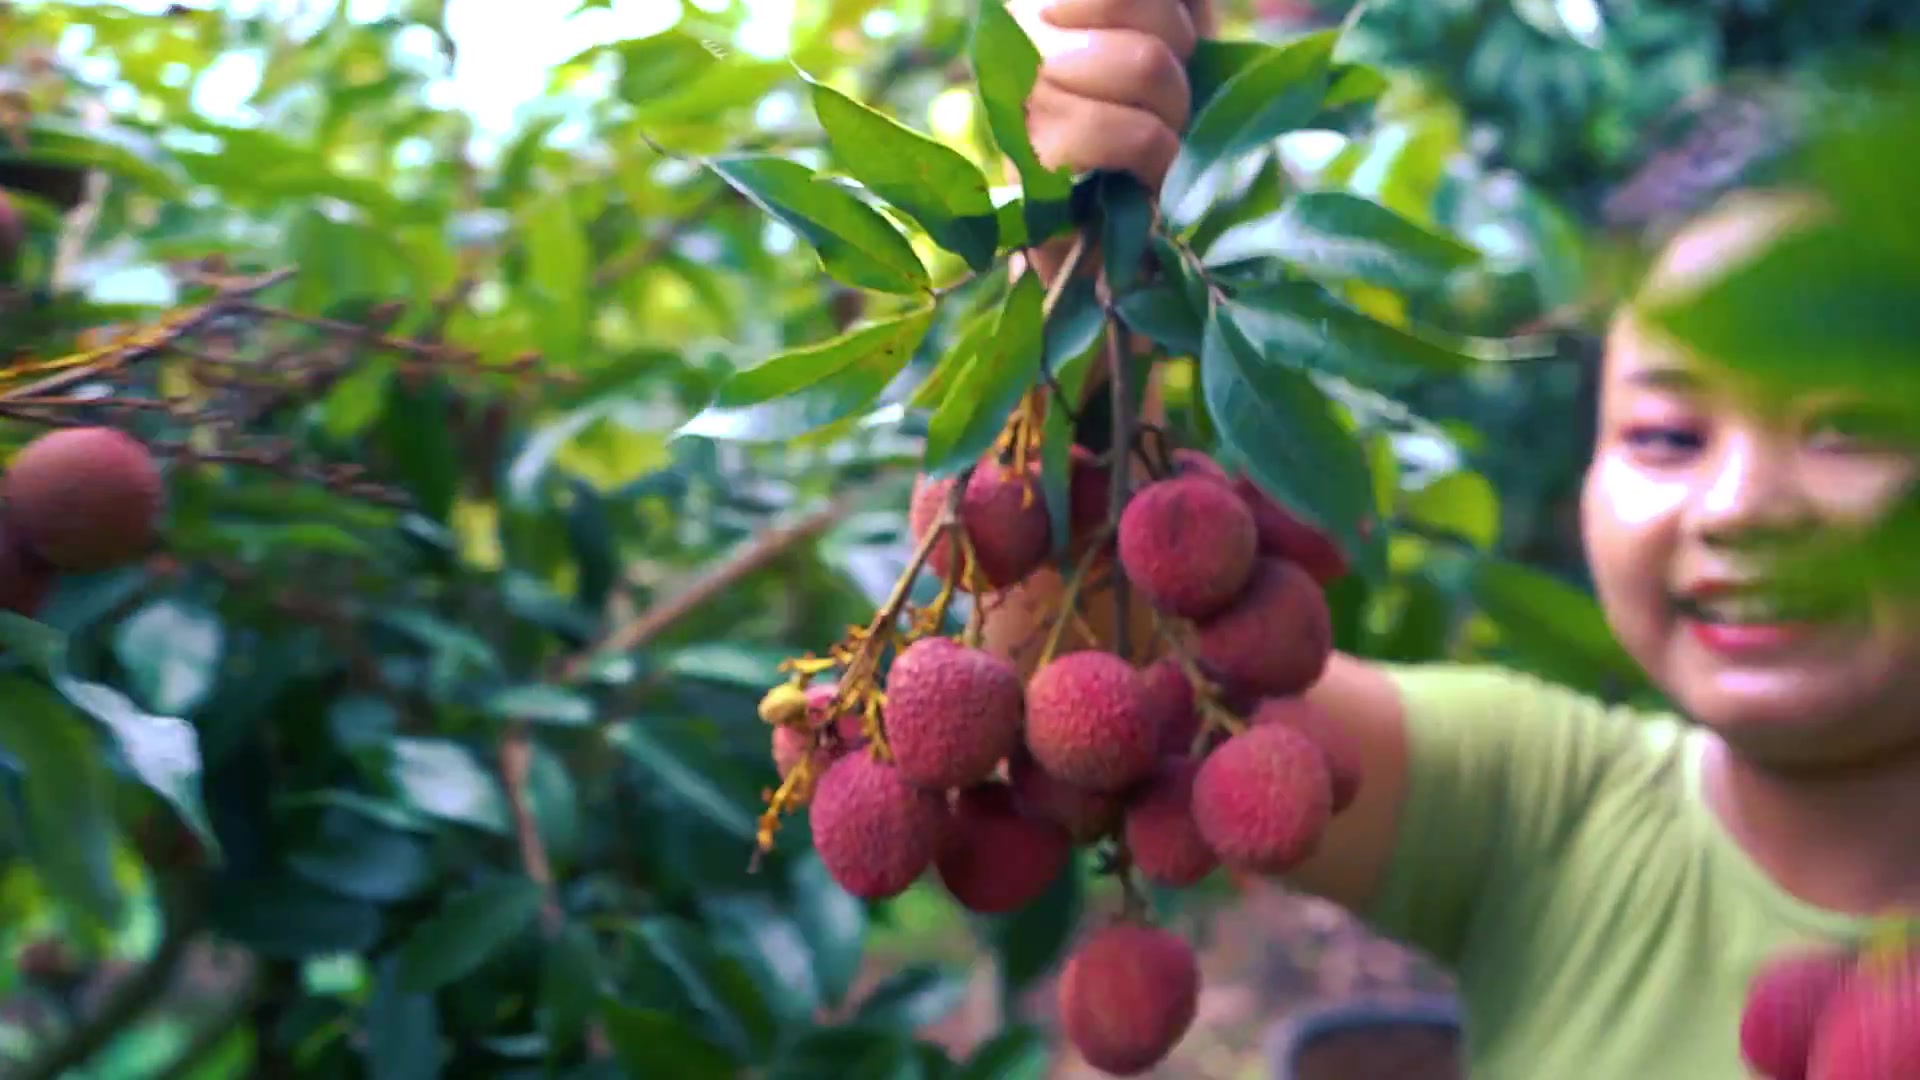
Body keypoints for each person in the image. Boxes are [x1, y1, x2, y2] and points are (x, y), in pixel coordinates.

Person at [990, 1, 1920, 1076]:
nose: (1741, 505)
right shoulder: (1554, 806)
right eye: (1669, 434)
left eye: (1855, 429)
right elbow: (1076, 678)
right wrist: (1070, 250)